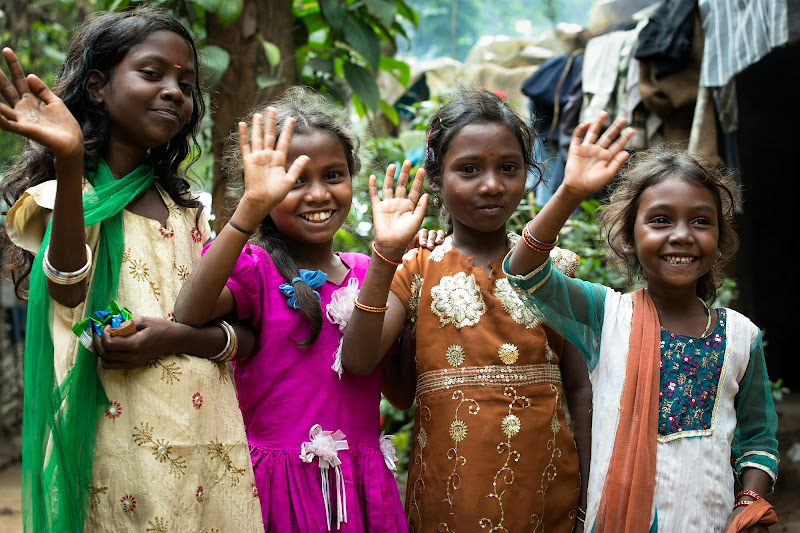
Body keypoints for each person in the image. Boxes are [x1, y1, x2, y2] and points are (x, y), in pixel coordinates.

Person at [0, 7, 262, 532]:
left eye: (186, 84)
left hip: (209, 447)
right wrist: (71, 159)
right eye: (152, 73)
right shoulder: (67, 198)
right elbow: (67, 290)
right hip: (116, 451)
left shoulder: (190, 211)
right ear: (97, 86)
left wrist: (170, 339)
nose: (173, 91)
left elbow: (243, 338)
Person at [504, 116, 779, 533]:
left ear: (719, 238)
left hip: (711, 520)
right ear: (630, 237)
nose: (682, 235)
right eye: (661, 220)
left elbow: (758, 438)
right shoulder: (605, 315)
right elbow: (525, 272)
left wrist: (750, 502)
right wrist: (571, 192)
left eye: (701, 221)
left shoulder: (742, 335)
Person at [341, 88, 594, 532]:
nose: (492, 184)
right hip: (448, 500)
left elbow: (580, 388)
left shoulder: (556, 270)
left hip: (550, 495)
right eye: (469, 169)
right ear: (437, 179)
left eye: (509, 168)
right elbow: (358, 361)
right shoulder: (416, 267)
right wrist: (386, 255)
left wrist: (591, 494)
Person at [173, 88, 413, 532]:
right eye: (296, 180)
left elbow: (367, 366)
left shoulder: (373, 272)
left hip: (361, 487)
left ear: (353, 178)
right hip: (275, 487)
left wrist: (387, 256)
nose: (318, 194)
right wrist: (250, 210)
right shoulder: (257, 268)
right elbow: (189, 312)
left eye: (333, 175)